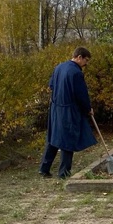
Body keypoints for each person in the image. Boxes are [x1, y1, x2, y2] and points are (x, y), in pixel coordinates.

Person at [39, 47, 97, 179]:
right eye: (86, 60)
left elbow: (51, 85)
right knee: (67, 140)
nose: (86, 64)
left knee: (54, 137)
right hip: (68, 110)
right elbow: (81, 95)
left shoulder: (59, 67)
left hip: (55, 108)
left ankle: (44, 168)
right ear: (79, 57)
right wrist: (88, 109)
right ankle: (63, 173)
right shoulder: (76, 73)